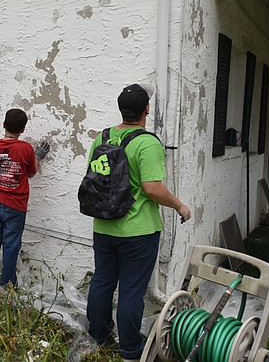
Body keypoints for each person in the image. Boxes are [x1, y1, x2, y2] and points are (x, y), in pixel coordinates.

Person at [85, 83, 191, 362]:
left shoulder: (102, 138)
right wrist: (180, 205)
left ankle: (98, 336)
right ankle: (130, 350)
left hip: (104, 226)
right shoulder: (146, 142)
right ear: (146, 109)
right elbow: (152, 188)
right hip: (138, 231)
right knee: (132, 290)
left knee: (103, 281)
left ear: (121, 109)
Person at [0, 108, 49, 287]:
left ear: (4, 124)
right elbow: (31, 174)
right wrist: (37, 156)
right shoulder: (26, 148)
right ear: (23, 130)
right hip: (16, 205)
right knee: (11, 246)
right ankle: (7, 285)